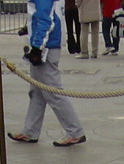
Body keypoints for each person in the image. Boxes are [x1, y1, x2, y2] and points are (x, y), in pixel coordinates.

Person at [7, 0, 86, 145]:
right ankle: (30, 131)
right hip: (47, 45)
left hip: (46, 47)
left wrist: (37, 47)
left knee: (53, 93)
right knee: (37, 91)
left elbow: (46, 20)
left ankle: (75, 131)